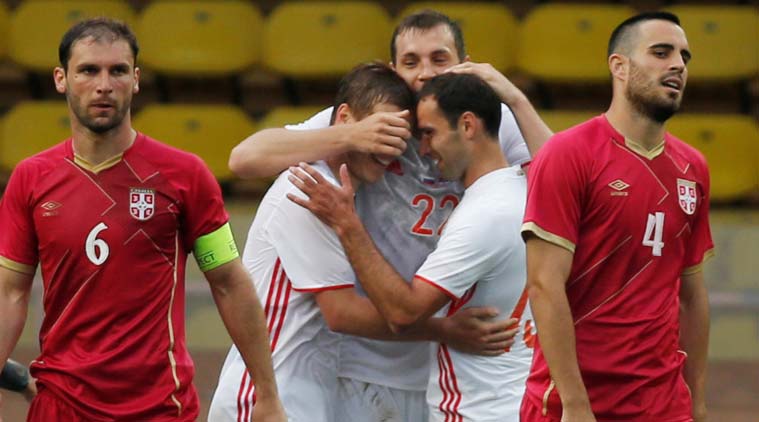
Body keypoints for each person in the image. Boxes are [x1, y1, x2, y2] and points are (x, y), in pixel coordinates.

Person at [228, 9, 553, 421]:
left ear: (465, 63)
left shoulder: (485, 118)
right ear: (392, 68)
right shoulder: (375, 118)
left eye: (440, 59)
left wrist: (516, 99)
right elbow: (244, 159)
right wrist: (349, 134)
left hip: (444, 363)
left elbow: (559, 185)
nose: (425, 74)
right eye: (411, 62)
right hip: (367, 359)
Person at [0, 18, 284, 421]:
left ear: (135, 80)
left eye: (117, 71)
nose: (103, 84)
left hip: (158, 407)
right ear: (61, 79)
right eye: (88, 70)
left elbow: (229, 283)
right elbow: (9, 295)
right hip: (61, 405)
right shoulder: (30, 179)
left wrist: (267, 395)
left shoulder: (186, 176)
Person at [289, 72, 535, 421]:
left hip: (479, 409)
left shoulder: (485, 215)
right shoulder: (518, 192)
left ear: (467, 126)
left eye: (429, 134)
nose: (422, 150)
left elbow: (403, 313)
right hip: (511, 398)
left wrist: (347, 222)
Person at [520, 11, 712, 422]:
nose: (678, 64)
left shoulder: (693, 168)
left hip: (663, 404)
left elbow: (692, 296)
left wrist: (696, 400)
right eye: (661, 53)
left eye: (684, 56)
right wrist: (574, 403)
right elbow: (543, 284)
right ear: (619, 67)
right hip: (575, 402)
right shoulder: (569, 154)